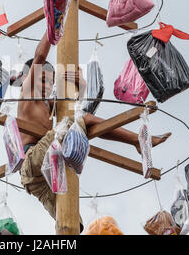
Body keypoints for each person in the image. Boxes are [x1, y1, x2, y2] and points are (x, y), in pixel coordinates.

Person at [16, 32, 171, 232]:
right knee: (82, 121)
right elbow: (40, 57)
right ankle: (136, 141)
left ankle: (136, 142)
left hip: (38, 178)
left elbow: (73, 103)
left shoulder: (48, 104)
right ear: (30, 77)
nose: (46, 85)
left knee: (72, 224)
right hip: (32, 161)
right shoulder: (27, 94)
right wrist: (54, 22)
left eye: (50, 82)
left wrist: (81, 84)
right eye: (42, 80)